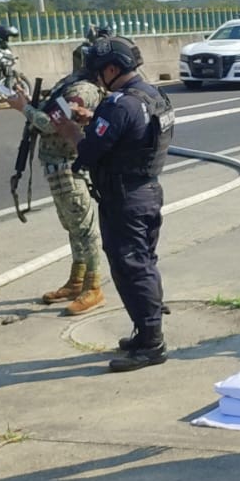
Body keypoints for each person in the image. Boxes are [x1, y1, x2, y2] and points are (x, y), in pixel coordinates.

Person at [62, 35, 176, 372]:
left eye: (99, 71)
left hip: (124, 198)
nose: (98, 78)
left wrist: (70, 129)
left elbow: (88, 152)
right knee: (143, 262)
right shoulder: (154, 96)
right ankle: (145, 332)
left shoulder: (118, 105)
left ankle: (152, 343)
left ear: (112, 69)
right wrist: (94, 118)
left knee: (132, 268)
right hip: (147, 191)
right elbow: (134, 134)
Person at [5, 40, 107, 315]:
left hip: (68, 167)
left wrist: (23, 108)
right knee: (72, 226)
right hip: (58, 167)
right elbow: (52, 112)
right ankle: (77, 280)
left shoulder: (83, 90)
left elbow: (52, 123)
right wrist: (30, 102)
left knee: (84, 228)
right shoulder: (72, 84)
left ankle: (93, 287)